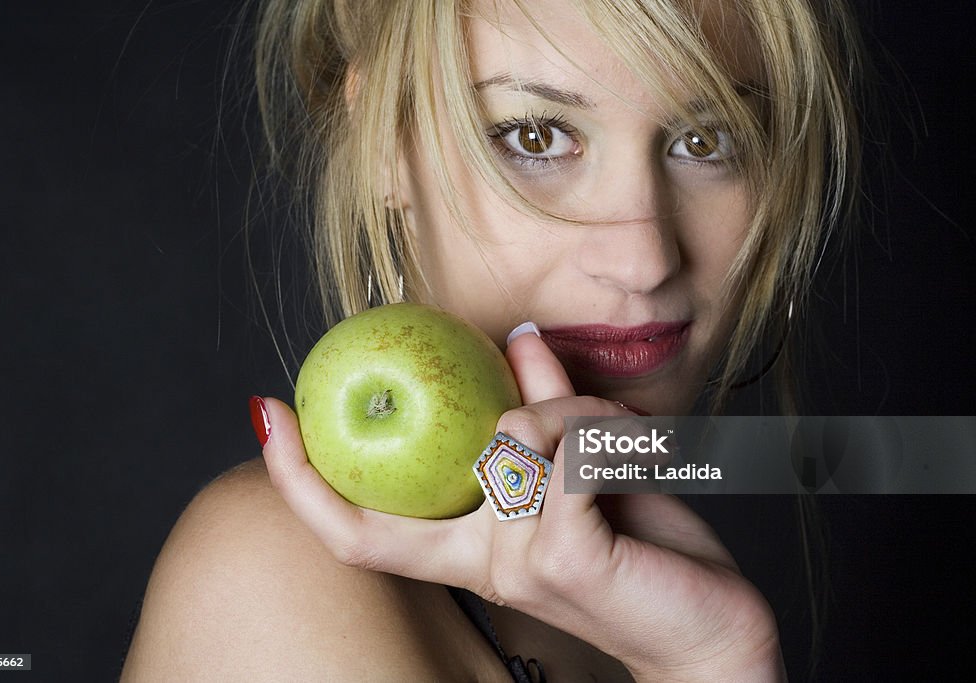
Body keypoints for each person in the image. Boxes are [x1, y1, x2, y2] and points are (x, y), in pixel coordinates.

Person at [122, 0, 864, 679]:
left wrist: (712, 655)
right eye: (535, 136)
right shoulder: (272, 579)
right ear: (385, 145)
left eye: (708, 138)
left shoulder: (620, 580)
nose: (645, 262)